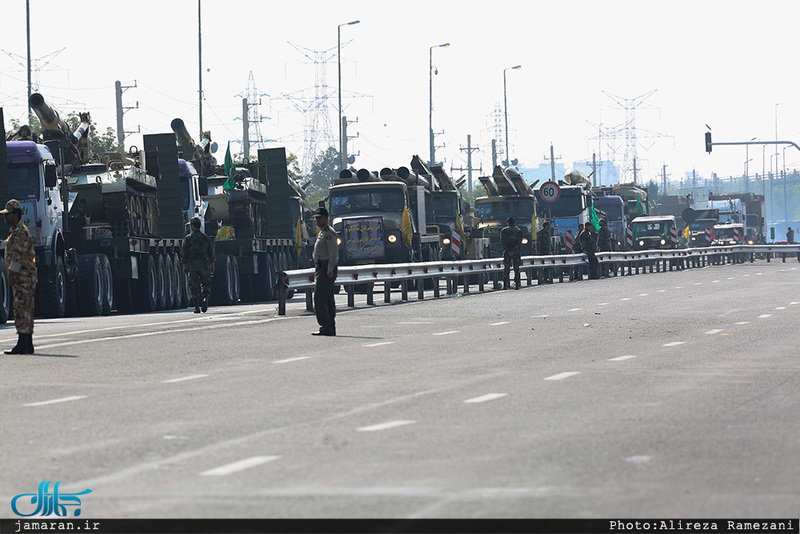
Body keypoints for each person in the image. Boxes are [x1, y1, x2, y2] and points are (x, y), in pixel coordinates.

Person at [2, 199, 38, 354]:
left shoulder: (20, 232)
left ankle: (23, 344)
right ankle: (26, 344)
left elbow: (18, 256)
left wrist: (11, 273)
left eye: (8, 214)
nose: (5, 217)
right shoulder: (16, 231)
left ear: (15, 215)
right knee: (25, 310)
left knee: (22, 310)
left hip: (22, 277)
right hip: (23, 277)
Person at [312, 207, 339, 336]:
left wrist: (329, 269)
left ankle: (326, 325)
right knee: (327, 299)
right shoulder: (322, 232)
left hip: (327, 268)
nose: (317, 220)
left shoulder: (329, 233)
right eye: (316, 218)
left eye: (320, 218)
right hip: (322, 267)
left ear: (326, 218)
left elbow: (333, 253)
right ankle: (329, 327)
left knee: (319, 299)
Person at [182, 217, 215, 313]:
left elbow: (185, 254)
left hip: (193, 265)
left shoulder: (188, 238)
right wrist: (212, 265)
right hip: (204, 265)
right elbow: (211, 253)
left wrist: (185, 265)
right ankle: (205, 299)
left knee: (194, 286)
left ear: (192, 226)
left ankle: (197, 307)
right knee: (206, 284)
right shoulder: (206, 238)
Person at [500, 217, 523, 290]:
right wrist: (514, 250)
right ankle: (517, 284)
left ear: (508, 222)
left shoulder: (504, 230)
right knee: (516, 268)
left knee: (506, 268)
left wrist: (508, 250)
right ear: (514, 222)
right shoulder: (518, 230)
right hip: (516, 252)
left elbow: (502, 242)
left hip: (507, 252)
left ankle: (505, 285)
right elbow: (519, 242)